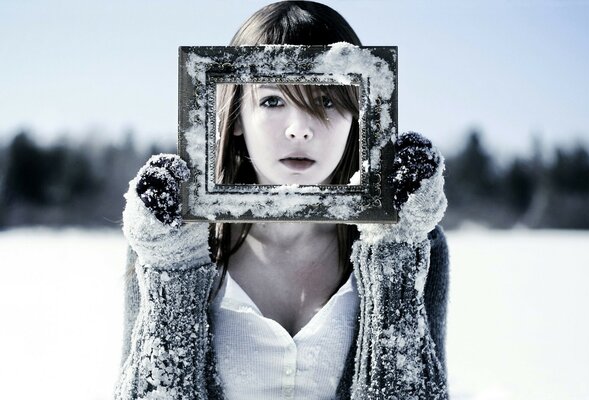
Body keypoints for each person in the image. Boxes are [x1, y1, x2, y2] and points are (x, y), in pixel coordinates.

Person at [115, 1, 449, 399]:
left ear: (358, 113)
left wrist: (394, 253)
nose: (299, 130)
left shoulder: (414, 240)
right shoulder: (172, 240)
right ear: (237, 116)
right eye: (273, 101)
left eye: (326, 100)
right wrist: (171, 266)